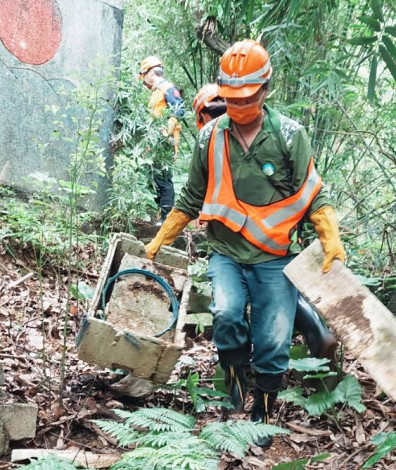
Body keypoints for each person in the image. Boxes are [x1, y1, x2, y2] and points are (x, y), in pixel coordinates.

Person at [144, 40, 346, 446]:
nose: (238, 107)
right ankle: (234, 388)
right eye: (232, 98)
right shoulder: (209, 138)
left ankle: (264, 411)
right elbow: (189, 198)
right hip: (226, 252)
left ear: (265, 90)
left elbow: (313, 195)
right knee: (227, 314)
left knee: (273, 338)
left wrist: (330, 239)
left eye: (247, 98)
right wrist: (159, 241)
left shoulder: (290, 136)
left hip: (275, 256)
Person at [191, 83, 341, 367]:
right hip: (284, 226)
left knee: (259, 288)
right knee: (275, 282)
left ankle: (266, 350)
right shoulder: (251, 128)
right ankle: (314, 333)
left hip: (264, 231)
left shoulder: (220, 133)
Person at [138, 56, 186, 223]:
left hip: (164, 142)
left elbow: (179, 110)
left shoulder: (167, 88)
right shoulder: (156, 91)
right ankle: (161, 216)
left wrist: (167, 129)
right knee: (156, 178)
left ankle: (166, 219)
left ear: (151, 73)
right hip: (155, 142)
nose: (144, 80)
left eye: (144, 75)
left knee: (163, 179)